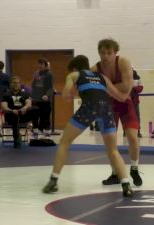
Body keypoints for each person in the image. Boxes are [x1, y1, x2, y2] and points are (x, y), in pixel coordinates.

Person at [42, 55, 134, 197]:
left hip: (89, 108)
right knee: (113, 150)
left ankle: (53, 180)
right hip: (106, 109)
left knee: (64, 143)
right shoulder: (102, 77)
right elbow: (121, 97)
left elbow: (66, 95)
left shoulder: (74, 74)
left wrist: (74, 93)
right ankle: (126, 185)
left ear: (74, 67)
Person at [92, 38, 142, 186]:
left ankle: (134, 168)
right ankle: (115, 173)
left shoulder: (123, 62)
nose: (105, 56)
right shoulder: (95, 69)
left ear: (115, 53)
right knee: (110, 143)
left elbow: (127, 88)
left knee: (132, 137)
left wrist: (105, 86)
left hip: (125, 103)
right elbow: (89, 88)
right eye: (102, 53)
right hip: (108, 106)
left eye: (109, 53)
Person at [1, 76, 38, 149]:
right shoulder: (6, 94)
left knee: (35, 109)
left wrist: (25, 108)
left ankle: (35, 131)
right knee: (14, 117)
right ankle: (17, 139)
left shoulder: (25, 94)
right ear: (11, 84)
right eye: (14, 83)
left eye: (17, 83)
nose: (16, 84)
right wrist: (12, 111)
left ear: (20, 84)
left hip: (22, 114)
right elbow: (4, 107)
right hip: (10, 115)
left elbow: (29, 103)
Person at [31, 58, 54, 138]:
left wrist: (47, 95)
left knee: (45, 117)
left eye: (42, 64)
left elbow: (51, 88)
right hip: (35, 100)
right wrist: (31, 96)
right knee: (34, 116)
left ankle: (47, 134)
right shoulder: (36, 73)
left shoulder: (49, 74)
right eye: (39, 64)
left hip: (45, 100)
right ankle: (35, 133)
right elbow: (33, 85)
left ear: (46, 65)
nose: (40, 66)